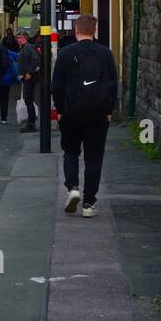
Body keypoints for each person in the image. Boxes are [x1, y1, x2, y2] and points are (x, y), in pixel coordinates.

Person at [51, 13, 118, 217]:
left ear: (76, 30)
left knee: (70, 152)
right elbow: (113, 84)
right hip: (98, 114)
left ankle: (72, 188)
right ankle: (88, 204)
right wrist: (109, 110)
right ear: (94, 31)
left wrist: (59, 110)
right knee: (94, 158)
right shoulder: (105, 53)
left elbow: (57, 85)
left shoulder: (65, 53)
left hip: (71, 113)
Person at [16, 29, 40, 133]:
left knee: (28, 99)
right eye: (17, 38)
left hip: (29, 78)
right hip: (25, 77)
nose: (19, 40)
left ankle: (31, 123)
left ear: (25, 38)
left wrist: (29, 73)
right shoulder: (24, 48)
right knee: (28, 99)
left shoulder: (28, 48)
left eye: (21, 38)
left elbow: (35, 59)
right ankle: (31, 122)